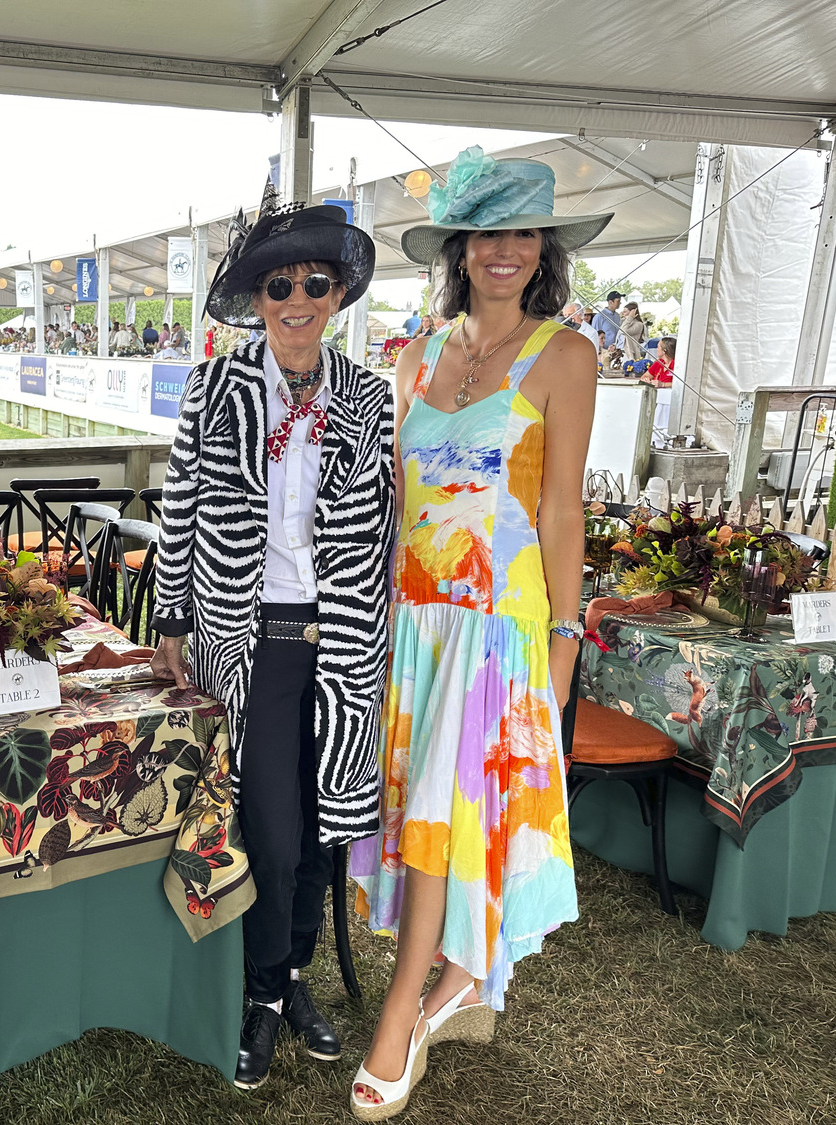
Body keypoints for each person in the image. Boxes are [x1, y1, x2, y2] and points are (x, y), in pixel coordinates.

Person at [345, 148, 604, 1119]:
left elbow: (564, 513)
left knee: (438, 824)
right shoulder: (416, 355)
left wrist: (568, 639)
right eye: (488, 232)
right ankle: (457, 973)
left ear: (545, 248)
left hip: (498, 630)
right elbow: (395, 509)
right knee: (426, 813)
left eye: (523, 232)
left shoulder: (564, 356)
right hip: (416, 629)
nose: (506, 251)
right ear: (460, 246)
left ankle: (402, 1012)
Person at [151, 198, 394, 1091]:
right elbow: (180, 510)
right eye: (279, 283)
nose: (298, 299)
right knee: (269, 826)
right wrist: (170, 620)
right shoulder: (215, 388)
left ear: (337, 296)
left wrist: (380, 634)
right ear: (257, 298)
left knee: (325, 820)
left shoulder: (368, 395)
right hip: (246, 638)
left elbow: (381, 526)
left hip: (342, 641)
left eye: (315, 283)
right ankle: (262, 988)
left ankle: (292, 979)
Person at [592, 289, 623, 354]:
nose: (620, 303)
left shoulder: (617, 316)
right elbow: (595, 334)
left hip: (616, 349)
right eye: (618, 301)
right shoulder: (599, 316)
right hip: (604, 351)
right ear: (610, 302)